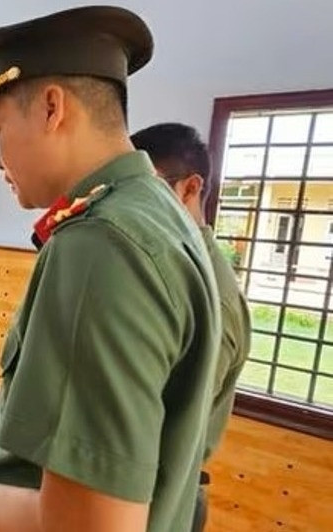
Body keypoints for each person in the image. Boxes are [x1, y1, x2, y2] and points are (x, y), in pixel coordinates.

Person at [0, 6, 221, 532]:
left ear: (51, 107)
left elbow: (89, 526)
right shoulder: (159, 213)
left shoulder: (100, 245)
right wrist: (11, 403)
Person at [131, 122, 252, 531]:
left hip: (158, 501)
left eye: (145, 192)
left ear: (190, 188)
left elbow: (155, 427)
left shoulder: (210, 296)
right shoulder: (157, 267)